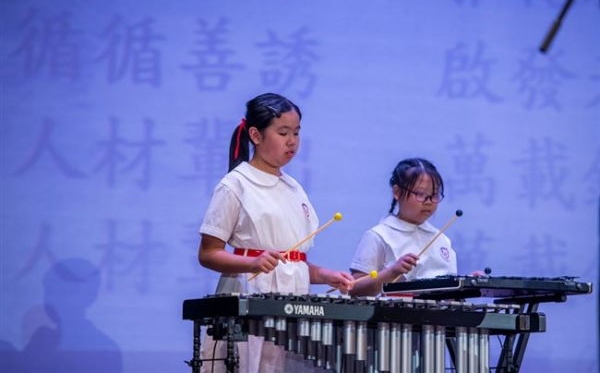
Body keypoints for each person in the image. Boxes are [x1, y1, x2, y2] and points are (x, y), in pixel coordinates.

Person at [197, 92, 353, 373]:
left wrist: (325, 275)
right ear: (256, 135)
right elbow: (208, 254)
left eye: (296, 132)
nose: (292, 141)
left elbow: (293, 261)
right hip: (251, 298)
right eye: (283, 133)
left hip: (294, 306)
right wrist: (252, 263)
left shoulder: (294, 188)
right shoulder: (235, 185)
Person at [349, 157, 475, 297]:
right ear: (397, 192)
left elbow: (447, 293)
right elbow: (354, 289)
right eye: (420, 194)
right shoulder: (378, 236)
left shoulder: (441, 238)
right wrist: (392, 272)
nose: (428, 202)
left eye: (434, 195)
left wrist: (469, 283)